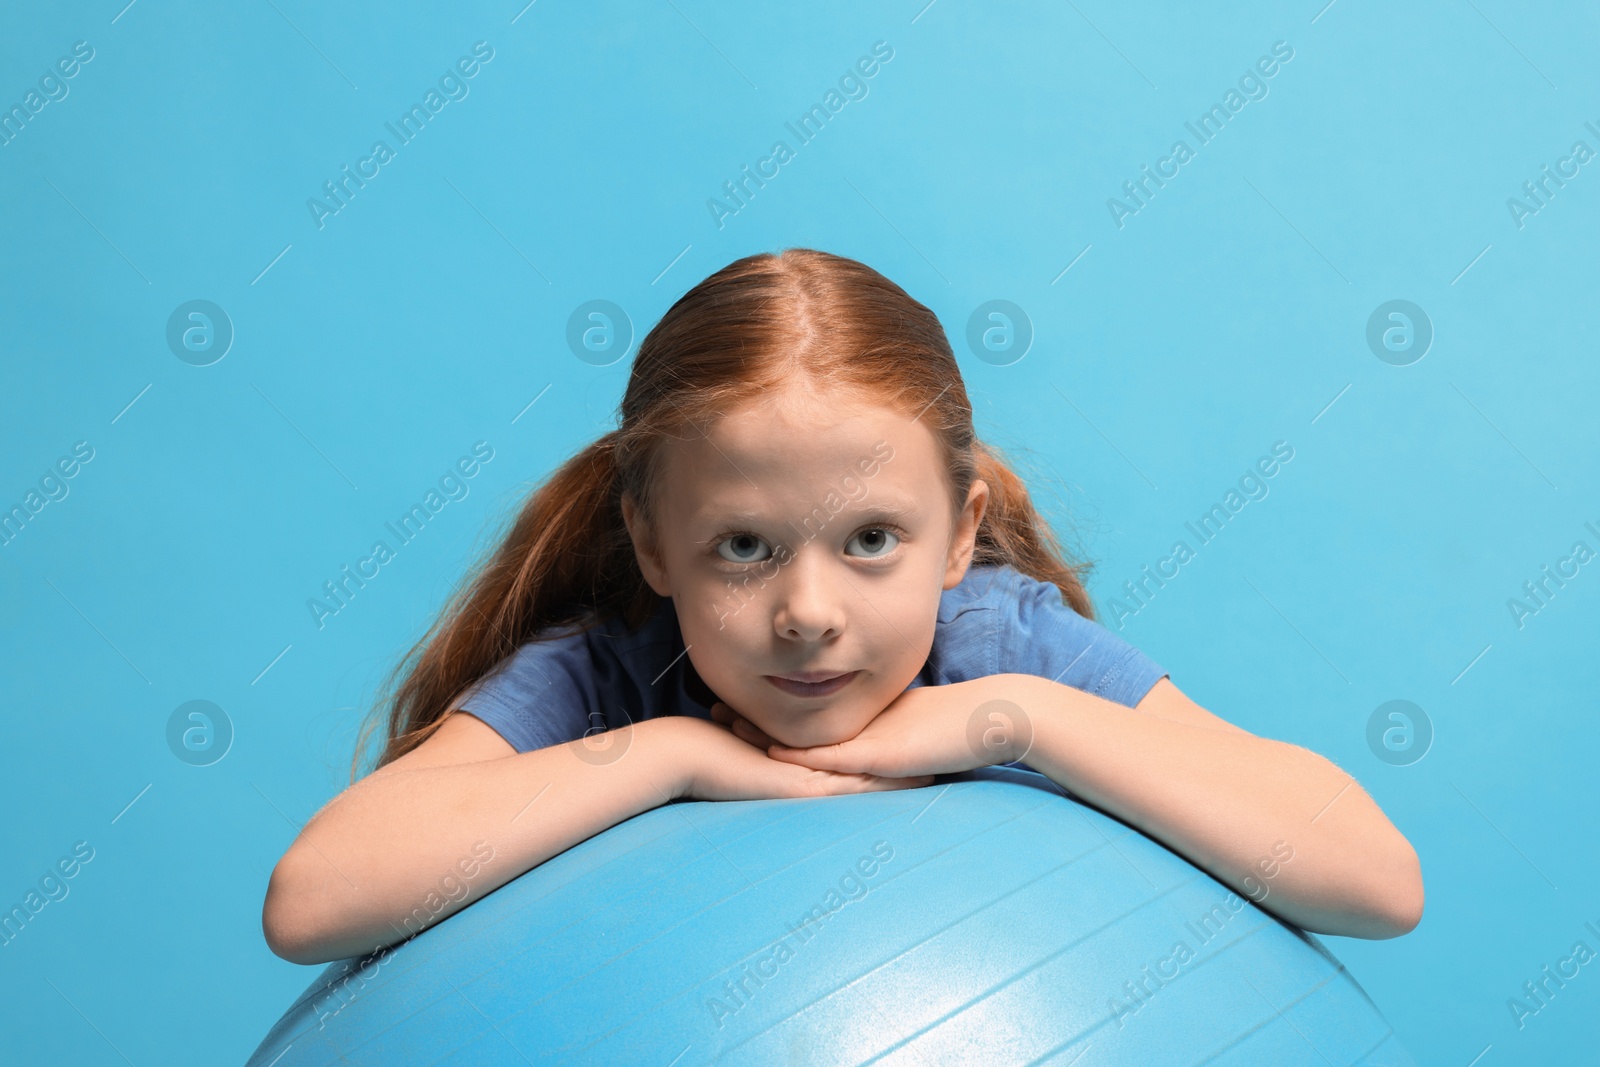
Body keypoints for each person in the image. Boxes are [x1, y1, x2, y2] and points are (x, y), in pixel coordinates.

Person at [261, 248, 1423, 966]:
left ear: (961, 532)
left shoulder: (1000, 646)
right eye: (742, 547)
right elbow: (313, 899)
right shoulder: (608, 674)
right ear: (651, 543)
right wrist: (669, 753)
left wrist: (1013, 718)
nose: (807, 611)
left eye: (872, 539)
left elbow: (1373, 882)